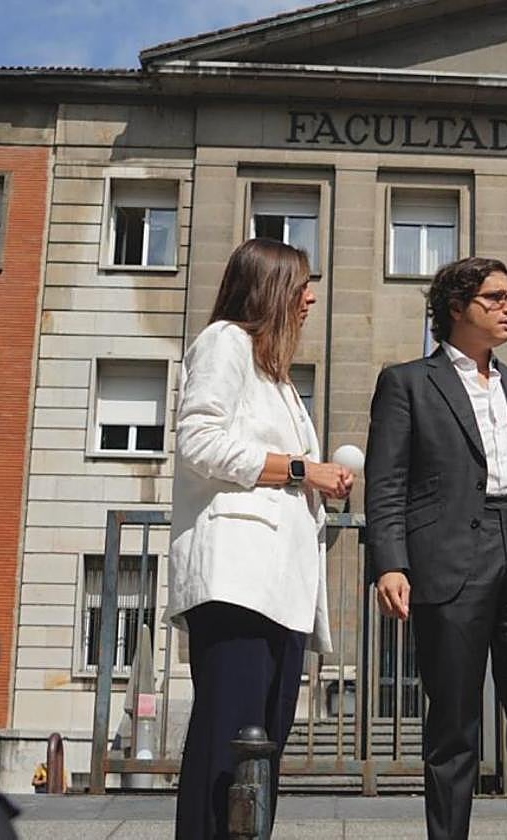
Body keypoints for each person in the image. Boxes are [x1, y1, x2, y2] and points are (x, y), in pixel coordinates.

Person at [366, 256, 507, 840]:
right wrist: (389, 563)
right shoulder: (407, 383)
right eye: (495, 298)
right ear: (456, 308)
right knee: (452, 725)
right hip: (447, 558)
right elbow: (386, 480)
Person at [166, 239, 355, 839]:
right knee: (229, 743)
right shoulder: (225, 341)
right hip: (237, 581)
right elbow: (197, 440)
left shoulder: (278, 379)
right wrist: (303, 469)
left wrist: (317, 482)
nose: (311, 297)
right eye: (301, 285)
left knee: (259, 751)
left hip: (280, 588)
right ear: (270, 288)